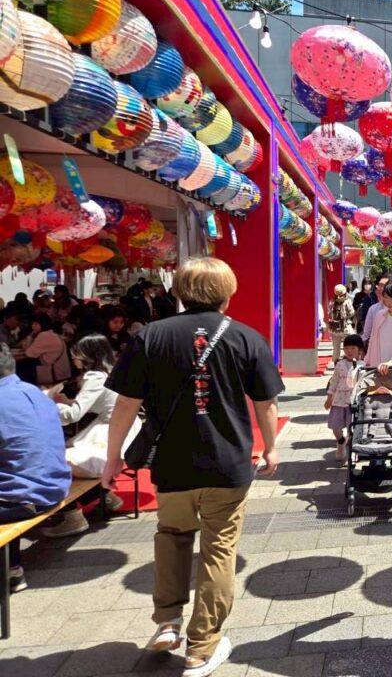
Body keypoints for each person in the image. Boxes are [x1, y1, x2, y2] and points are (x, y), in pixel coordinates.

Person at [102, 257, 284, 677]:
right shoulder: (246, 337)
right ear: (228, 291)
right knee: (219, 549)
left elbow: (125, 404)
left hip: (172, 462)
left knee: (172, 536)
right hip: (227, 463)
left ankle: (168, 622)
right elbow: (266, 402)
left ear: (180, 291)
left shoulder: (150, 336)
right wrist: (272, 448)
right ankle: (202, 647)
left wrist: (113, 457)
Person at [41, 334, 141, 538]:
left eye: (76, 354)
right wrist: (67, 402)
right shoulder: (112, 370)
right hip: (122, 428)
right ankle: (103, 496)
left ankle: (71, 514)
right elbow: (94, 404)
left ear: (88, 355)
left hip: (107, 433)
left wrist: (47, 403)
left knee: (53, 462)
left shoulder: (95, 377)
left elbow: (73, 415)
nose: (73, 359)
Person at [0, 343, 71, 593]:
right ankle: (11, 567)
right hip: (55, 486)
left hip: (22, 497)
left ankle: (10, 570)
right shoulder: (34, 392)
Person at [324, 334, 364, 461]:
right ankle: (341, 441)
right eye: (346, 348)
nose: (349, 351)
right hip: (339, 401)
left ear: (360, 350)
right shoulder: (340, 364)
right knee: (335, 427)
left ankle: (352, 451)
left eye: (352, 348)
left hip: (354, 402)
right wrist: (329, 398)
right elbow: (334, 382)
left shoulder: (363, 365)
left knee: (352, 427)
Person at [16, 313, 71, 386]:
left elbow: (28, 353)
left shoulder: (44, 335)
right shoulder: (52, 334)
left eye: (36, 324)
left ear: (43, 324)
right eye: (32, 324)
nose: (32, 326)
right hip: (61, 373)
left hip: (55, 374)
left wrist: (30, 336)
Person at [327, 284, 357, 366]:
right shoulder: (347, 301)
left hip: (334, 329)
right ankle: (350, 362)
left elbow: (329, 313)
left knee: (336, 348)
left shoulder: (332, 302)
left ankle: (336, 364)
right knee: (350, 345)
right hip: (345, 327)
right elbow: (351, 312)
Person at [360, 275, 390, 345]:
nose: (379, 288)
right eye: (379, 285)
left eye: (382, 286)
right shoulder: (373, 308)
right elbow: (366, 333)